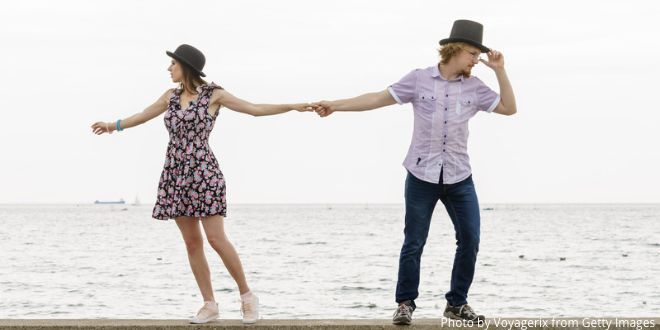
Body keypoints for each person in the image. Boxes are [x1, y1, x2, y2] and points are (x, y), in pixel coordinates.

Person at [313, 20, 517, 324]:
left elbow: (509, 108)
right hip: (421, 176)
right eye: (474, 53)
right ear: (456, 49)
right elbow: (376, 98)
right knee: (414, 242)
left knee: (470, 239)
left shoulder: (475, 87)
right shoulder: (419, 79)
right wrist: (335, 105)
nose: (477, 60)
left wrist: (500, 70)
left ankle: (456, 304)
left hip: (460, 177)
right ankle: (405, 303)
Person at [91, 44, 311, 324]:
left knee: (216, 239)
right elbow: (143, 114)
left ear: (186, 66)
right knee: (192, 243)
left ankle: (247, 297)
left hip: (204, 173)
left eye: (173, 64)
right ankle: (209, 305)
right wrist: (113, 125)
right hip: (175, 174)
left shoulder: (214, 95)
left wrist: (292, 106)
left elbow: (254, 109)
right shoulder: (170, 96)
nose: (168, 69)